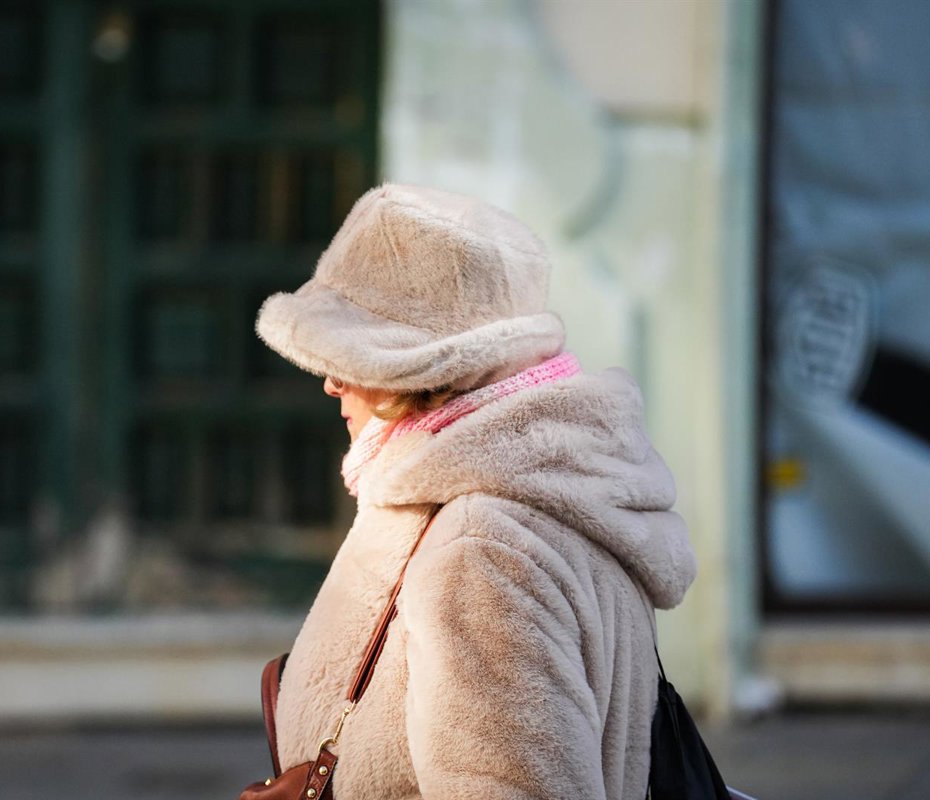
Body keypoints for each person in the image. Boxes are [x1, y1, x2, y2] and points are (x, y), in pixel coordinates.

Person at [253, 182, 697, 800]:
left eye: (351, 356)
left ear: (425, 369)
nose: (331, 384)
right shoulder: (551, 493)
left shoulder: (482, 554)